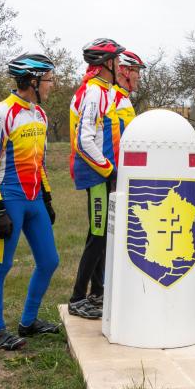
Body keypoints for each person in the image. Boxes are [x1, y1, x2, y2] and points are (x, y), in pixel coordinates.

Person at [0, 53, 60, 350]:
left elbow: (41, 162)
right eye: (49, 79)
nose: (53, 85)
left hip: (34, 198)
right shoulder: (2, 114)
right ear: (33, 81)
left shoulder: (40, 114)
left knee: (50, 261)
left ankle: (28, 321)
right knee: (1, 265)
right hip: (8, 198)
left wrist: (47, 197)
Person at [68, 38, 125, 319]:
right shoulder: (93, 92)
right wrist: (108, 170)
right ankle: (78, 297)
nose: (120, 65)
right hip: (95, 173)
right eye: (116, 61)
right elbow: (84, 139)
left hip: (101, 171)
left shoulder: (104, 90)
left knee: (102, 235)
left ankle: (95, 292)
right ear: (106, 65)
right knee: (98, 234)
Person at [114, 50, 146, 134]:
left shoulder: (124, 97)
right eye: (137, 71)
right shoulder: (111, 96)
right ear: (126, 71)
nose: (139, 76)